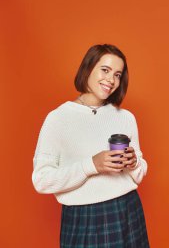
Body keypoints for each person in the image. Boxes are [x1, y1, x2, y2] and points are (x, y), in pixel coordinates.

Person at [32, 44, 149, 248]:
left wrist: (134, 162)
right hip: (83, 217)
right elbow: (41, 180)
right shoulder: (58, 118)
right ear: (88, 68)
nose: (111, 80)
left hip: (128, 210)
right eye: (105, 70)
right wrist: (91, 165)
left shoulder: (126, 117)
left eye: (117, 74)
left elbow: (139, 174)